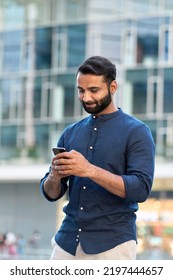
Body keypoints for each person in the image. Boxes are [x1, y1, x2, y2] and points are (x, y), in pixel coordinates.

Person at [40, 56, 155, 260]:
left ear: (113, 87)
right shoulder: (70, 133)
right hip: (66, 243)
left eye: (94, 90)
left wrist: (89, 170)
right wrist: (54, 177)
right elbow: (51, 194)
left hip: (113, 246)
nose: (86, 98)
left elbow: (140, 189)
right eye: (81, 90)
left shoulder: (137, 132)